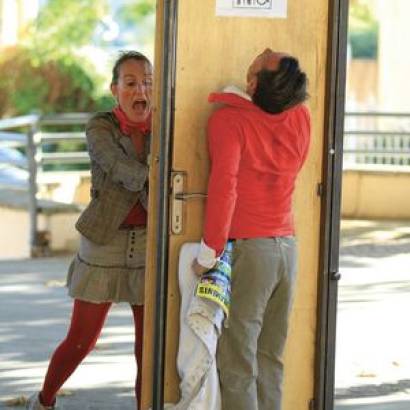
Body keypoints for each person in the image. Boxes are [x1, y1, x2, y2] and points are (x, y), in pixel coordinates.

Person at [26, 51, 153, 410]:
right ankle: (43, 401)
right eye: (130, 83)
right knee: (82, 340)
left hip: (151, 243)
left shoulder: (167, 126)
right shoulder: (100, 126)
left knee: (148, 347)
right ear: (115, 89)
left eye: (147, 81)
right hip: (104, 240)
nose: (140, 89)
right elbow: (116, 165)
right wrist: (158, 177)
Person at [194, 48, 311, 410]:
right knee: (270, 358)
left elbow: (224, 186)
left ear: (253, 81)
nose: (267, 50)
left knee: (237, 363)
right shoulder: (301, 117)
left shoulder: (228, 121)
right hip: (287, 249)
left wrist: (209, 250)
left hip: (250, 251)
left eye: (267, 59)